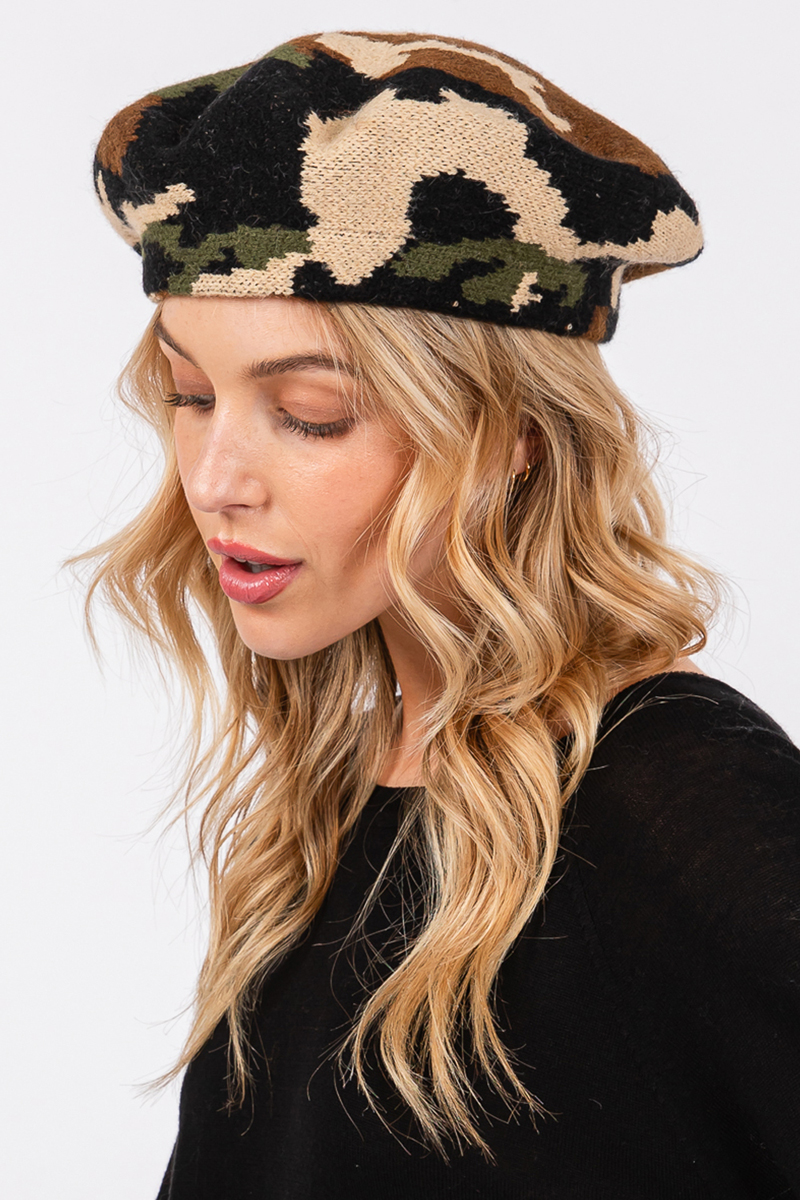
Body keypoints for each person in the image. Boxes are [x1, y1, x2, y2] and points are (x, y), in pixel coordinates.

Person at [84, 30, 800, 1199]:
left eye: (309, 412)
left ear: (511, 434)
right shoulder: (326, 812)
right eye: (190, 394)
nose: (213, 480)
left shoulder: (681, 802)